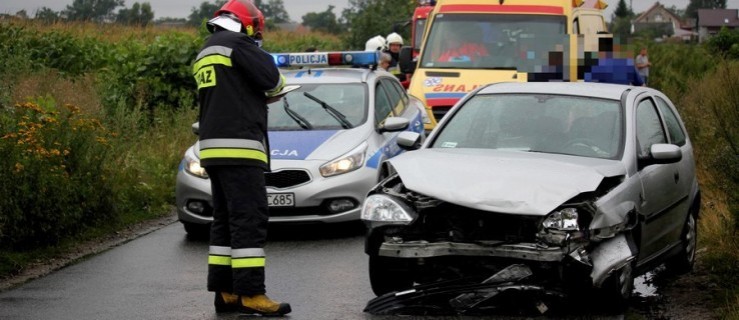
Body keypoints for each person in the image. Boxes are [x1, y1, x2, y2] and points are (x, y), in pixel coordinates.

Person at [191, 0, 291, 316]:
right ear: (247, 25)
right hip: (240, 146)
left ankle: (226, 292)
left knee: (224, 220)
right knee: (248, 218)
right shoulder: (238, 44)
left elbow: (228, 93)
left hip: (212, 147)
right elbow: (274, 82)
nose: (255, 35)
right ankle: (251, 294)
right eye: (255, 29)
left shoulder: (205, 50)